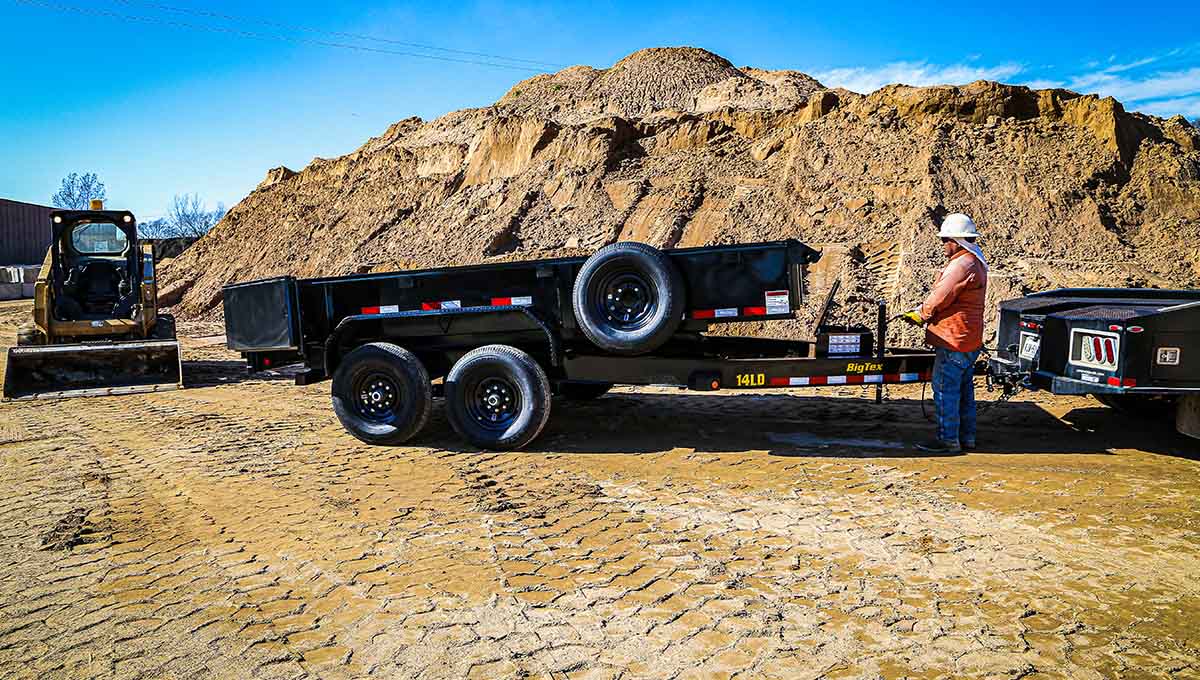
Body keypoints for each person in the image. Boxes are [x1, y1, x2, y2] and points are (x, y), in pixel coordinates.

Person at [901, 213, 988, 453]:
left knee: (945, 392)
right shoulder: (975, 262)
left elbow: (941, 297)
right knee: (964, 393)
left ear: (956, 240)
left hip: (953, 340)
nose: (943, 245)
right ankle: (966, 438)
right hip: (968, 339)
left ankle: (947, 440)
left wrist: (920, 314)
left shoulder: (962, 264)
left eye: (945, 240)